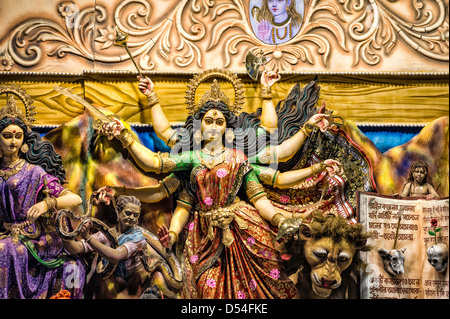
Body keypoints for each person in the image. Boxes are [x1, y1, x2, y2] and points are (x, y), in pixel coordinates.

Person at [98, 68, 342, 299]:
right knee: (205, 287)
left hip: (244, 228)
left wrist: (281, 220)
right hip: (203, 235)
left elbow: (264, 194)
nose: (213, 126)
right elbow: (158, 169)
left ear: (227, 128)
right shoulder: (192, 159)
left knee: (266, 281)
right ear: (199, 126)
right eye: (208, 121)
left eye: (219, 122)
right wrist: (126, 135)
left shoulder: (240, 158)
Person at [0, 91, 85, 299]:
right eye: (7, 135)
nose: (13, 142)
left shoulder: (34, 172)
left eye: (18, 136)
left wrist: (47, 204)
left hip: (34, 236)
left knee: (6, 249)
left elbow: (76, 199)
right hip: (5, 233)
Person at [63, 194, 181, 299]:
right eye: (128, 213)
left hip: (135, 288)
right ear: (118, 213)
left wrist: (88, 237)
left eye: (136, 215)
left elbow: (116, 255)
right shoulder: (105, 234)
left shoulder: (138, 238)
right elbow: (74, 249)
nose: (132, 218)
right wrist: (60, 229)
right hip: (112, 286)